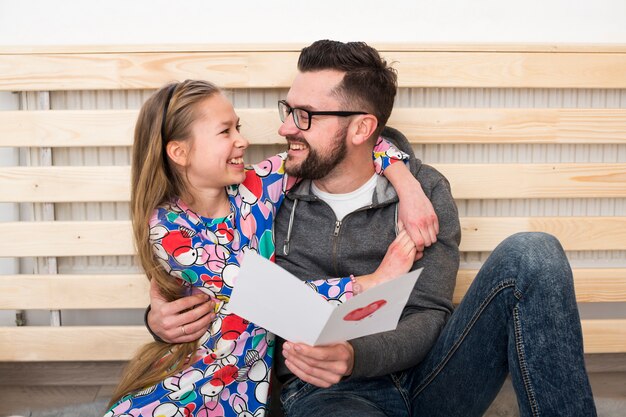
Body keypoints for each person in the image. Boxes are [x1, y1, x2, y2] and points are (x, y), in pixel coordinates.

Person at [147, 41, 597, 417]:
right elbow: (232, 279)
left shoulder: (425, 195)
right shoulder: (266, 195)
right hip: (329, 388)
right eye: (288, 110)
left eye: (304, 115)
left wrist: (405, 179)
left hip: (431, 376)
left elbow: (429, 313)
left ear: (363, 127)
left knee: (533, 252)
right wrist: (159, 318)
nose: (285, 127)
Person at [106, 79, 436, 417]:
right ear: (180, 152)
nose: (242, 140)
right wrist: (373, 283)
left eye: (238, 127)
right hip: (192, 380)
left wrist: (407, 185)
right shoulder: (168, 230)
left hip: (245, 392)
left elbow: (360, 142)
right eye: (225, 132)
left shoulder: (256, 186)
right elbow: (268, 295)